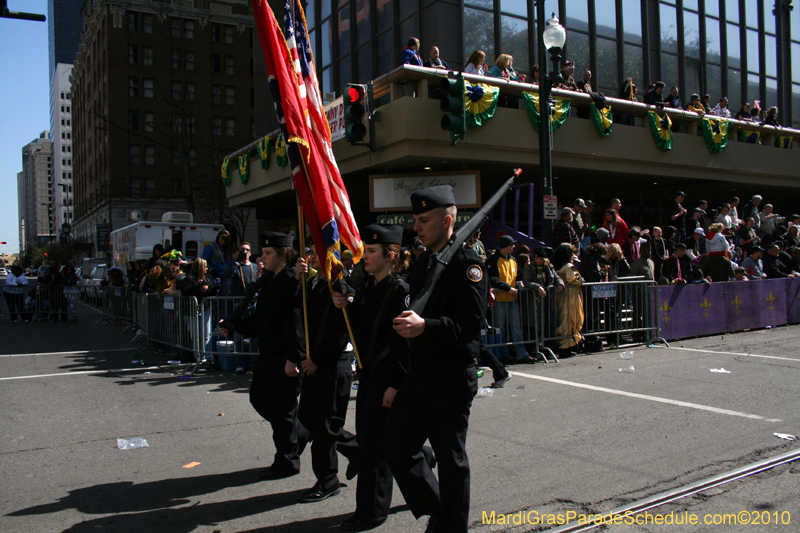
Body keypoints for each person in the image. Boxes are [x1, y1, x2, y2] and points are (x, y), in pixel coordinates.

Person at [384, 185, 486, 532]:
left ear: (446, 221)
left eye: (424, 220)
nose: (417, 226)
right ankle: (439, 509)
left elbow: (471, 326)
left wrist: (425, 326)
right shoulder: (426, 260)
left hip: (450, 376)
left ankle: (452, 526)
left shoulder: (468, 263)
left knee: (450, 459)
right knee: (396, 445)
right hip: (420, 373)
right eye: (415, 219)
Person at [333, 225, 412, 531]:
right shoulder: (366, 287)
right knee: (372, 441)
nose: (364, 256)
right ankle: (421, 458)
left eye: (371, 251)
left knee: (372, 449)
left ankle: (372, 512)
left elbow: (404, 344)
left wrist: (396, 383)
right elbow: (359, 328)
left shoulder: (400, 290)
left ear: (391, 256)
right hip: (367, 376)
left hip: (386, 377)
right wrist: (344, 306)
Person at [218, 231, 308, 481]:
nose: (262, 258)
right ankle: (298, 435)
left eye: (268, 253)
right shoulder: (269, 279)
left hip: (285, 357)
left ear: (283, 254)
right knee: (260, 400)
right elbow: (263, 320)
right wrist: (235, 326)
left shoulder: (292, 280)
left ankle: (287, 459)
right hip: (268, 354)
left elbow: (295, 323)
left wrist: (294, 357)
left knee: (283, 411)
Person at [293, 243, 360, 504]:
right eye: (310, 252)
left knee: (324, 427)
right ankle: (358, 452)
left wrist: (317, 360)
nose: (311, 257)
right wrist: (298, 278)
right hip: (315, 362)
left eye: (317, 252)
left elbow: (339, 332)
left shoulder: (340, 286)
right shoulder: (313, 283)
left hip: (332, 363)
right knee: (311, 419)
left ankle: (327, 479)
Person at [487, 235, 535, 365]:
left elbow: (518, 276)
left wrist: (521, 283)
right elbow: (492, 279)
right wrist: (508, 288)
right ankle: (504, 354)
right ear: (506, 246)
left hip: (512, 299)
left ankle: (521, 353)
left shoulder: (513, 260)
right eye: (512, 245)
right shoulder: (493, 260)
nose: (514, 247)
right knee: (500, 328)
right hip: (499, 300)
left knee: (516, 328)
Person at [177, 258, 218, 352]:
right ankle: (198, 356)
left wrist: (215, 287)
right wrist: (199, 286)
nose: (207, 268)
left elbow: (210, 293)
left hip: (205, 309)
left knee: (207, 335)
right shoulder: (188, 279)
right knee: (196, 336)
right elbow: (185, 292)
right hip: (192, 311)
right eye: (205, 266)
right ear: (200, 268)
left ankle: (207, 356)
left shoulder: (206, 279)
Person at [552, 243, 584, 355]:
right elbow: (575, 279)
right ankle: (566, 344)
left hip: (563, 296)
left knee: (564, 318)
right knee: (570, 320)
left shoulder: (558, 266)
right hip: (570, 296)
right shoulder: (569, 267)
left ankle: (566, 343)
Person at [202, 229, 236, 296]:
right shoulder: (210, 247)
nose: (221, 242)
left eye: (224, 240)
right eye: (220, 239)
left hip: (225, 276)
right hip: (213, 276)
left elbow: (231, 262)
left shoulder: (228, 250)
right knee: (214, 295)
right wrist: (210, 270)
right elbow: (204, 261)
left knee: (225, 295)